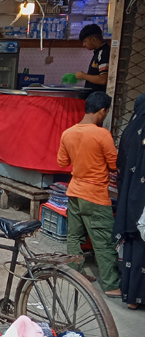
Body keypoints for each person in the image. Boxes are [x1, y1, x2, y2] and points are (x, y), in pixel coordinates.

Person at [57, 91, 120, 297]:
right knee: (103, 240)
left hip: (74, 191)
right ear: (102, 111)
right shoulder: (102, 134)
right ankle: (111, 285)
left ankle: (76, 273)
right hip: (95, 195)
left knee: (74, 235)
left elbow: (62, 162)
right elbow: (114, 165)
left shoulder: (68, 133)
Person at [112, 94, 145, 310]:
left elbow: (120, 161)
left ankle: (131, 297)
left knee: (135, 247)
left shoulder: (132, 130)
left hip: (132, 196)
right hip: (141, 199)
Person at [76, 24, 110, 93]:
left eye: (85, 41)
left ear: (93, 39)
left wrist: (83, 75)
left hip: (98, 97)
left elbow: (103, 79)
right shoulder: (97, 52)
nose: (83, 44)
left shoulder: (104, 53)